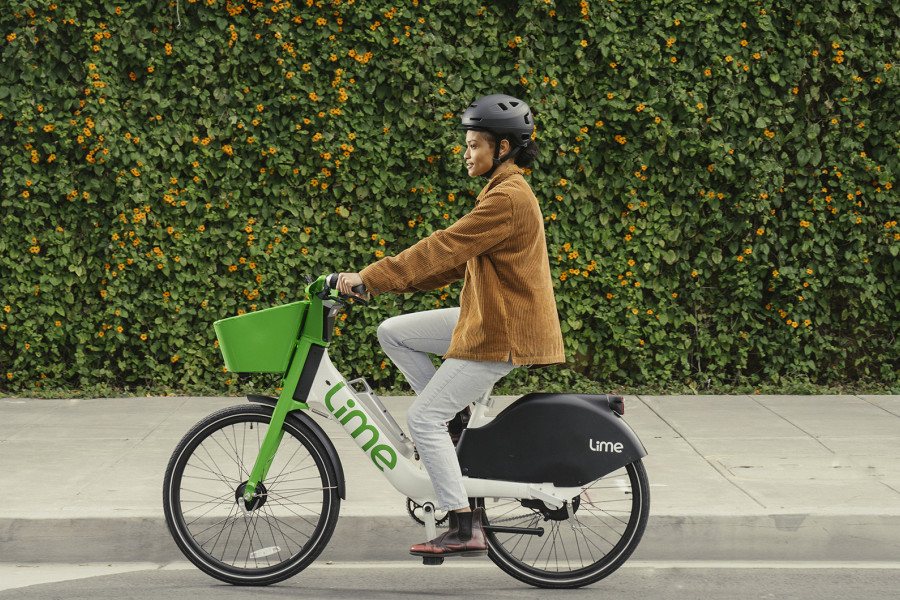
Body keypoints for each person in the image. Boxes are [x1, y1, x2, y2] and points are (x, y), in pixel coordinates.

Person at [336, 93, 564, 557]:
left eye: (474, 144)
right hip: (490, 312)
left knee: (422, 418)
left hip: (503, 329)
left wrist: (370, 276)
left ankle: (464, 525)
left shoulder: (507, 198)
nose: (466, 152)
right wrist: (379, 286)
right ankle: (455, 421)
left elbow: (443, 246)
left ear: (503, 148)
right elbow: (452, 263)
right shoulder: (500, 192)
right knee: (393, 332)